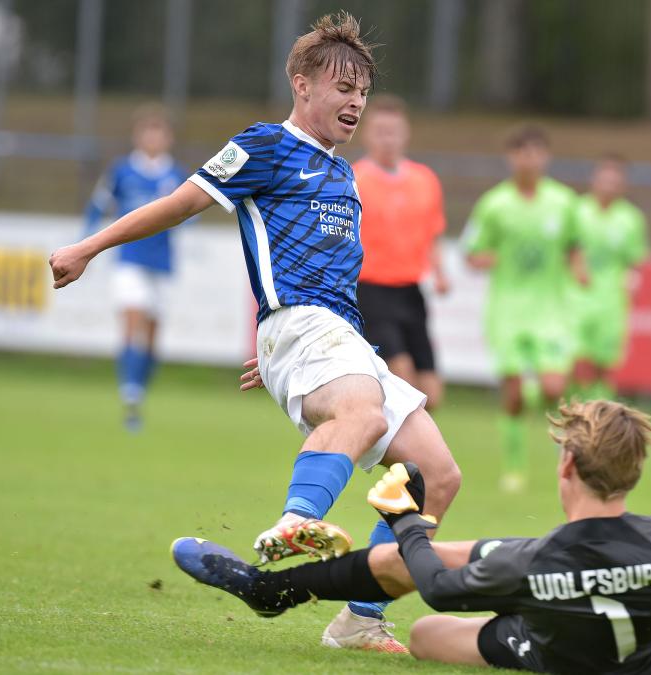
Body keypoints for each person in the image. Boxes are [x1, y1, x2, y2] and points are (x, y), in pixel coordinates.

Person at [49, 12, 461, 653]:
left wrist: (283, 360)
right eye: (342, 88)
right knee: (363, 412)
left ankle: (359, 619)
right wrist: (90, 246)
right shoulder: (266, 146)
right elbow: (180, 202)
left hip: (332, 336)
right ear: (302, 85)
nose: (355, 102)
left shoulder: (341, 172)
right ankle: (298, 518)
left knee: (435, 473)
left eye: (363, 92)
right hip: (303, 328)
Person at [169, 400, 651, 674]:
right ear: (633, 471)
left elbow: (435, 589)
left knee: (426, 629)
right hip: (609, 633)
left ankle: (270, 587)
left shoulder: (534, 560)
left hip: (544, 641)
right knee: (463, 558)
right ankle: (270, 590)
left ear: (567, 465)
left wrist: (405, 514)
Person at [461, 126, 583, 492]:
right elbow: (471, 253)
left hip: (550, 310)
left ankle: (560, 447)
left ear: (546, 157)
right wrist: (494, 258)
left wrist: (579, 268)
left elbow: (574, 246)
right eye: (522, 152)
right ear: (511, 157)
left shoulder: (564, 202)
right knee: (512, 395)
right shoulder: (494, 204)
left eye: (536, 152)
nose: (530, 159)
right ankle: (514, 468)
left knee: (553, 387)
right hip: (508, 310)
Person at [82, 105, 190, 431]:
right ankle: (129, 396)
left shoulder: (177, 175)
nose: (154, 138)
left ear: (168, 138)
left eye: (159, 132)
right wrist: (84, 242)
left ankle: (139, 392)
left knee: (154, 337)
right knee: (132, 322)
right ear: (138, 136)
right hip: (128, 260)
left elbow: (191, 211)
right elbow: (98, 205)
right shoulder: (121, 171)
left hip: (162, 263)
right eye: (148, 131)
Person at [353, 94, 449, 410]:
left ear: (405, 134)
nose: (387, 139)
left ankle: (402, 443)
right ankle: (399, 452)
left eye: (393, 131)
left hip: (410, 291)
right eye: (380, 131)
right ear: (367, 134)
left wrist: (440, 272)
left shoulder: (425, 180)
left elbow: (432, 232)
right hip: (371, 290)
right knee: (403, 379)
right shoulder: (354, 179)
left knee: (431, 395)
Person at [568, 154, 648, 401]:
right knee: (575, 364)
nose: (609, 185)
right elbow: (565, 250)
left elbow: (634, 261)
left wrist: (632, 279)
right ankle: (573, 418)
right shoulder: (575, 211)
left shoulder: (631, 219)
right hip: (576, 298)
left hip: (611, 301)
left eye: (615, 180)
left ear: (623, 184)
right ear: (594, 179)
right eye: (605, 179)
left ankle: (601, 426)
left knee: (604, 368)